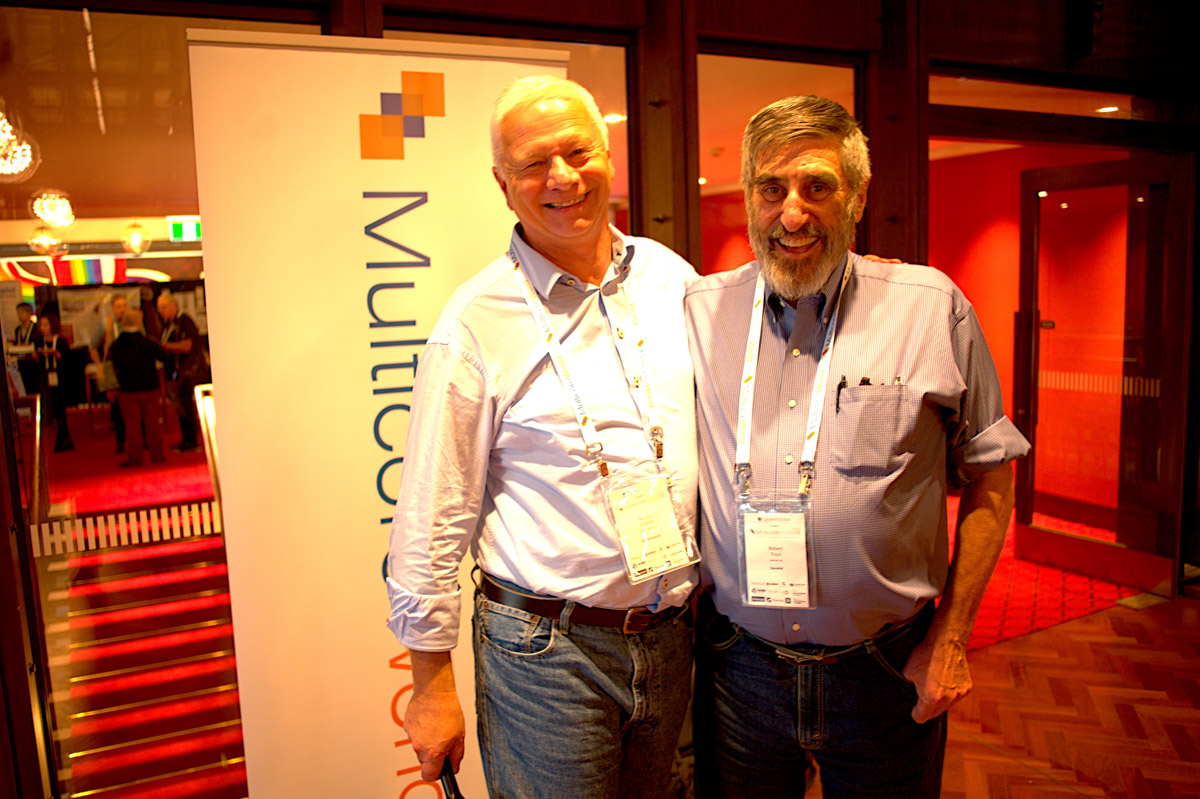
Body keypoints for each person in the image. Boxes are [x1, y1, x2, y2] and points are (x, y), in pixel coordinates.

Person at [683, 95, 1031, 798]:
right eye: (770, 189)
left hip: (885, 669)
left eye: (817, 187)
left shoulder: (930, 307)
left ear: (859, 196)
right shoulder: (697, 311)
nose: (792, 214)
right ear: (747, 197)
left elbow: (992, 473)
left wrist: (952, 639)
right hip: (738, 671)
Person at [384, 76, 699, 799]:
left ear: (608, 157)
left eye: (577, 152)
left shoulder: (669, 278)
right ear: (503, 186)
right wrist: (430, 685)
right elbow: (431, 515)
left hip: (671, 638)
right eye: (532, 164)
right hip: (548, 653)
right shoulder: (475, 323)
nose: (562, 177)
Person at [109, 308, 166, 467]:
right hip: (150, 388)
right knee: (153, 423)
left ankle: (135, 458)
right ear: (140, 322)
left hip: (127, 390)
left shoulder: (116, 345)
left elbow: (112, 367)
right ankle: (157, 455)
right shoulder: (149, 343)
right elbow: (163, 357)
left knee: (132, 426)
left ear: (123, 322)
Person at [157, 291, 208, 453]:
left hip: (188, 373)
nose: (161, 311)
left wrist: (164, 346)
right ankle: (186, 440)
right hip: (175, 373)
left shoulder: (184, 321)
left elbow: (187, 346)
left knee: (187, 408)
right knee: (180, 408)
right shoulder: (168, 325)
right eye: (159, 308)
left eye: (164, 307)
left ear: (174, 306)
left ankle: (191, 441)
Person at [36, 313, 74, 452]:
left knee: (60, 406)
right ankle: (62, 433)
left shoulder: (61, 341)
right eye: (41, 324)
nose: (43, 327)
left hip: (60, 378)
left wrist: (58, 355)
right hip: (46, 377)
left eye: (46, 324)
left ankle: (64, 434)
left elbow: (68, 360)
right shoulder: (39, 341)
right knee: (51, 406)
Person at [10, 301, 42, 396]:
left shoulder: (37, 328)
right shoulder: (18, 330)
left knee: (35, 389)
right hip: (21, 362)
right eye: (18, 313)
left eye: (21, 312)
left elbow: (39, 344)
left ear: (29, 313)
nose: (19, 315)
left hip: (33, 364)